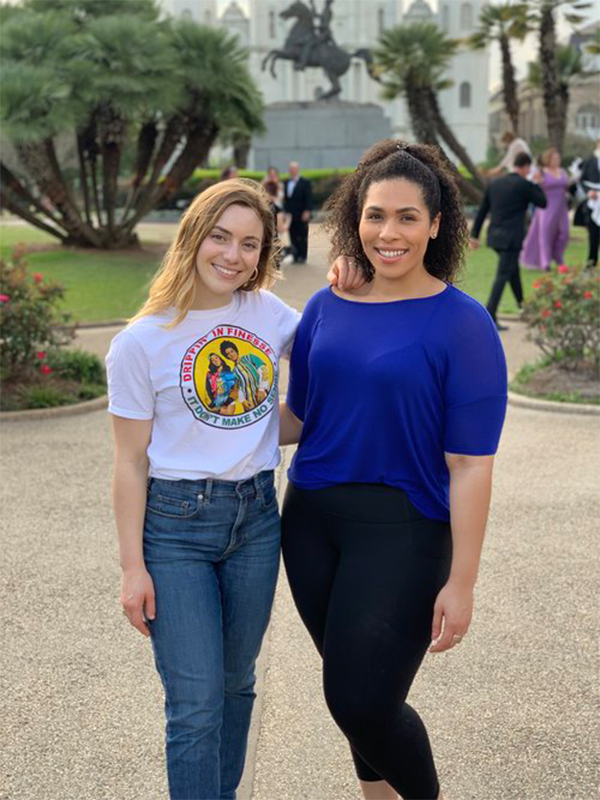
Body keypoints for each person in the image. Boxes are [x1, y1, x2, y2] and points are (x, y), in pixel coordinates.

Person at [106, 178, 360, 800]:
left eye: (251, 243)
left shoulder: (268, 315)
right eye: (220, 236)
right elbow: (128, 462)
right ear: (193, 236)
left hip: (255, 516)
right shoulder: (140, 342)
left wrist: (349, 282)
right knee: (194, 702)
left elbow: (335, 344)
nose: (233, 255)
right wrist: (132, 568)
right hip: (174, 527)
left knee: (238, 681)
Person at [279, 140, 508, 800]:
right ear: (356, 219)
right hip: (313, 520)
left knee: (361, 698)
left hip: (404, 528)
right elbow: (302, 417)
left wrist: (462, 582)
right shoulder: (326, 306)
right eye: (376, 215)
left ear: (437, 224)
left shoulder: (463, 324)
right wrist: (201, 425)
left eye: (408, 217)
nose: (390, 232)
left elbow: (469, 465)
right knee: (356, 693)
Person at [471, 151, 547, 330]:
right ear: (526, 167)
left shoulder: (495, 184)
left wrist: (474, 234)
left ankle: (525, 308)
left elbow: (482, 211)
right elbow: (543, 203)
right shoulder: (525, 185)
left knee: (513, 272)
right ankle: (490, 314)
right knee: (503, 275)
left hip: (495, 237)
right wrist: (536, 184)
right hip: (512, 238)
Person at [520, 148, 570, 271]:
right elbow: (533, 186)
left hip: (561, 207)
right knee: (545, 234)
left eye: (558, 158)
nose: (557, 160)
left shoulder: (562, 171)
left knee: (564, 233)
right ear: (548, 159)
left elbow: (567, 187)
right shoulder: (542, 172)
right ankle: (545, 262)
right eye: (554, 158)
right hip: (546, 207)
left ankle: (558, 256)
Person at [574, 138, 600, 268]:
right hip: (594, 201)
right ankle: (591, 263)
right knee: (593, 234)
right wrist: (589, 191)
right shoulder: (590, 161)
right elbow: (582, 180)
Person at [283, 161, 312, 264]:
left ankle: (303, 256)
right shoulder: (286, 182)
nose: (293, 171)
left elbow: (308, 198)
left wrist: (307, 211)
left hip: (302, 213)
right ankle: (295, 255)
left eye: (294, 169)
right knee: (292, 235)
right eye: (291, 169)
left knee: (303, 235)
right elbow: (285, 199)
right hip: (291, 214)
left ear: (298, 170)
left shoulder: (305, 183)